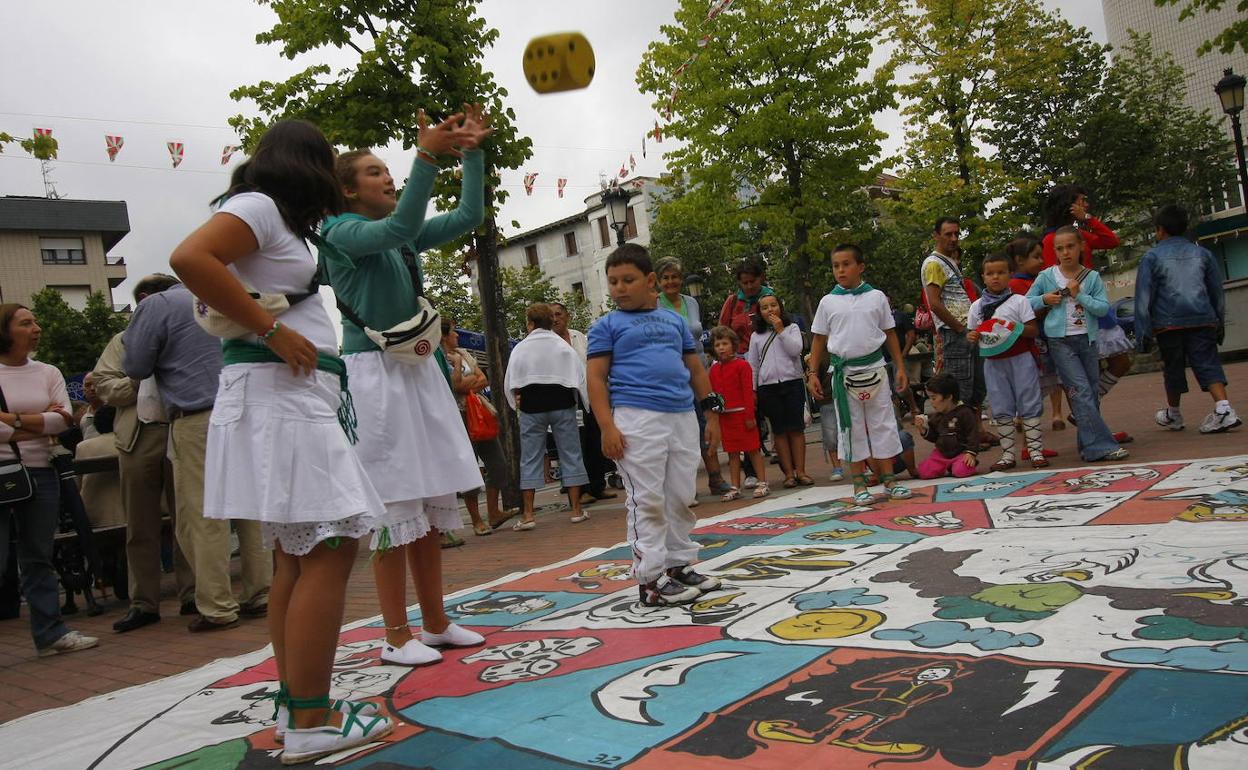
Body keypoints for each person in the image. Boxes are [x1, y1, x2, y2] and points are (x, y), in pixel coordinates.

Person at [171, 119, 392, 761]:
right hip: (279, 394)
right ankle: (312, 718)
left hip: (288, 395)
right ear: (308, 164)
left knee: (297, 555)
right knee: (328, 546)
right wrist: (270, 330)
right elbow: (189, 258)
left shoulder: (282, 221)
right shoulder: (260, 206)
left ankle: (302, 706)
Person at [320, 108, 491, 670]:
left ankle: (436, 623)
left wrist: (470, 151)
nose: (388, 177)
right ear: (346, 191)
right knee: (396, 505)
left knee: (431, 493)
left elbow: (470, 213)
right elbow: (395, 228)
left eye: (390, 169)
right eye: (374, 173)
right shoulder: (340, 232)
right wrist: (425, 156)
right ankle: (396, 634)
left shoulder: (399, 231)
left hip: (418, 373)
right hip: (374, 377)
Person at [124, 275, 271, 632]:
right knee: (252, 510)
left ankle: (218, 605)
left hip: (198, 416)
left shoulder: (155, 306)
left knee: (204, 514)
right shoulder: (221, 292)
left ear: (145, 295)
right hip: (247, 408)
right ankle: (261, 592)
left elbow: (135, 366)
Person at [586, 244, 722, 607]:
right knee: (647, 499)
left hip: (680, 415)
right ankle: (649, 579)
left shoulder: (674, 321)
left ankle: (679, 565)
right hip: (636, 418)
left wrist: (711, 413)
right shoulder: (606, 326)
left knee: (680, 494)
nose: (619, 288)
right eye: (613, 282)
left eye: (628, 280)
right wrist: (607, 427)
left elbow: (695, 369)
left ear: (650, 282)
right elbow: (596, 379)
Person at [93, 280, 196, 633]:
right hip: (138, 436)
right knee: (140, 523)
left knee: (188, 516)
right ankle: (144, 602)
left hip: (179, 428)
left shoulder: (189, 331)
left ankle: (193, 593)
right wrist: (137, 381)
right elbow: (104, 385)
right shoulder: (121, 342)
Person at [0, 304, 98, 657]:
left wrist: (9, 419)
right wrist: (38, 422)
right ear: (5, 331)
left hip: (41, 473)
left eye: (36, 321)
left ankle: (50, 633)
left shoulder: (47, 371)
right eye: (26, 323)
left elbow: (65, 420)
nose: (36, 327)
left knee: (38, 555)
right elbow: (51, 421)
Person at [807, 244, 912, 505]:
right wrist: (812, 373)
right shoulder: (827, 302)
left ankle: (889, 480)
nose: (841, 270)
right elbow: (819, 339)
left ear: (860, 266)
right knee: (849, 427)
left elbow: (889, 333)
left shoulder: (876, 297)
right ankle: (858, 485)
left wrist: (899, 366)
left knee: (883, 423)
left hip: (875, 367)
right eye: (836, 266)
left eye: (846, 264)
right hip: (844, 372)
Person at [1027, 226, 1129, 463]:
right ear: (1054, 251)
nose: (1066, 252)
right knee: (1080, 391)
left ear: (1081, 246)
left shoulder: (1091, 277)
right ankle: (1102, 446)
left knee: (1091, 392)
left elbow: (1103, 308)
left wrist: (1079, 295)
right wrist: (1044, 299)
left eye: (1070, 246)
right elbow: (1026, 302)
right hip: (1060, 341)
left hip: (1087, 338)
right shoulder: (1046, 277)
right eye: (1060, 248)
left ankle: (1088, 446)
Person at [1135, 204, 1240, 434]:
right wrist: (1218, 322)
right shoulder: (1203, 254)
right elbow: (1216, 292)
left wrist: (1142, 332)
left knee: (1172, 367)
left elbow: (1144, 297)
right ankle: (1223, 408)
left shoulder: (1152, 257)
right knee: (1208, 362)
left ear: (1160, 230)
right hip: (1203, 318)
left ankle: (1174, 413)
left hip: (1168, 323)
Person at [505, 303, 590, 530]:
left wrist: (515, 403)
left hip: (532, 406)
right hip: (562, 403)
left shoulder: (520, 349)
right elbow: (580, 377)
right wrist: (583, 402)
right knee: (570, 454)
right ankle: (576, 510)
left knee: (530, 458)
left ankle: (529, 515)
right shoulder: (562, 347)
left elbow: (509, 382)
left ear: (530, 323)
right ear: (550, 322)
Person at [965, 253, 1047, 470]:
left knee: (1029, 402)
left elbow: (1033, 330)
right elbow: (972, 333)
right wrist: (972, 337)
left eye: (1001, 272)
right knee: (1001, 406)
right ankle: (1008, 455)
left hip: (1021, 359)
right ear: (983, 277)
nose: (995, 278)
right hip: (993, 362)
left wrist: (1013, 327)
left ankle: (1035, 452)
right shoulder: (977, 307)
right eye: (990, 273)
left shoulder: (1019, 301)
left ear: (1010, 274)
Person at [656, 258, 729, 496]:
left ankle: (716, 478)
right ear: (658, 281)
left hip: (698, 368)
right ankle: (687, 486)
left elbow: (698, 334)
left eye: (675, 276)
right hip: (673, 371)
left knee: (708, 419)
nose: (671, 282)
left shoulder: (691, 302)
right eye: (666, 277)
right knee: (680, 427)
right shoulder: (654, 305)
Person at [440, 318, 510, 535]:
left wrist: (464, 381)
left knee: (498, 463)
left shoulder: (464, 352)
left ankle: (494, 512)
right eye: (453, 332)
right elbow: (455, 385)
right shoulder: (439, 358)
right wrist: (461, 373)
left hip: (478, 411)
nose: (457, 335)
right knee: (469, 465)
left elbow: (483, 379)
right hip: (458, 415)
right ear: (443, 336)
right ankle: (476, 519)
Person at [921, 218, 986, 428]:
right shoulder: (934, 264)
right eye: (948, 234)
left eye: (957, 234)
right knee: (961, 388)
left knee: (977, 386)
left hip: (967, 329)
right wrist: (959, 328)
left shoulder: (948, 262)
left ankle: (977, 432)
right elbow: (935, 303)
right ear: (936, 235)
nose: (954, 239)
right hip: (955, 332)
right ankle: (960, 436)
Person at [551, 300, 615, 504]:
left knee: (595, 441)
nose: (555, 318)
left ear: (567, 316)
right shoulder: (548, 342)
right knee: (576, 445)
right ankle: (581, 491)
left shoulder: (579, 336)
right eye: (551, 315)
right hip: (567, 399)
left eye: (559, 314)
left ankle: (598, 486)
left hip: (590, 395)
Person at [748, 294, 811, 487]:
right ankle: (789, 474)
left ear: (780, 308)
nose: (770, 310)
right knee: (780, 431)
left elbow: (795, 350)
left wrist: (780, 330)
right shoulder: (756, 335)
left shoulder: (791, 328)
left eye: (773, 305)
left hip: (792, 383)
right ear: (760, 312)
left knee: (796, 429)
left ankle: (801, 471)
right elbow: (753, 365)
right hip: (768, 387)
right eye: (765, 307)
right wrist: (753, 390)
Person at [718, 256, 771, 486]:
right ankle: (749, 471)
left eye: (752, 281)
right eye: (744, 282)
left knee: (761, 411)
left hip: (767, 360)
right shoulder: (733, 302)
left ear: (761, 278)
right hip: (740, 360)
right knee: (744, 414)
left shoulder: (769, 298)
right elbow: (722, 330)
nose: (749, 286)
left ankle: (781, 465)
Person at [1008, 237, 1066, 437]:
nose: (1042, 261)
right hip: (1035, 339)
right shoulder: (1016, 284)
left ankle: (1050, 416)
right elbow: (1027, 312)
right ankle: (1027, 426)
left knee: (1051, 378)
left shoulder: (1036, 279)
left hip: (1044, 337)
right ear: (1020, 260)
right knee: (1037, 383)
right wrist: (1047, 302)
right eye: (1036, 257)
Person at [709, 326, 768, 501]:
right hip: (725, 416)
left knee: (753, 450)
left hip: (742, 414)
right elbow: (714, 395)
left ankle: (762, 482)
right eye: (717, 344)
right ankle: (735, 486)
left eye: (725, 343)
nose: (721, 348)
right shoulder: (713, 370)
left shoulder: (742, 366)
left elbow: (748, 393)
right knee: (732, 453)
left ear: (733, 345)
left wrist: (750, 415)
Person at [914, 373, 979, 479]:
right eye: (930, 398)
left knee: (961, 470)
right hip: (942, 454)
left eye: (934, 398)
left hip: (961, 453)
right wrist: (923, 430)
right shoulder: (937, 417)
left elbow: (973, 434)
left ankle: (960, 465)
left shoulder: (965, 412)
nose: (931, 402)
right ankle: (946, 466)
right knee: (924, 472)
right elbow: (935, 437)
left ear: (948, 397)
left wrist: (971, 453)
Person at [1041, 184, 1119, 269]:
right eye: (1082, 200)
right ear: (1070, 205)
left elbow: (1112, 241)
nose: (1086, 205)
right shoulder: (1049, 240)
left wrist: (1088, 218)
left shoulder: (1080, 235)